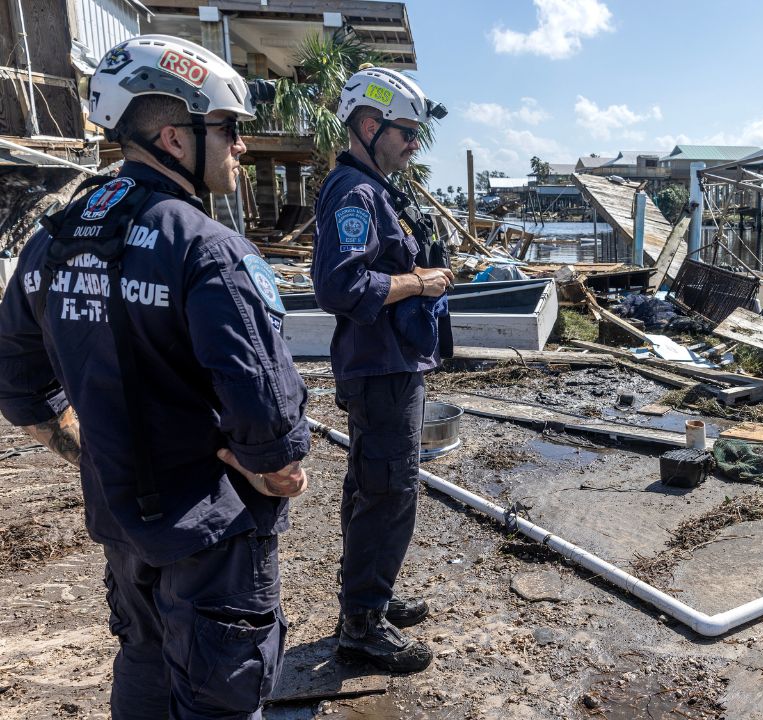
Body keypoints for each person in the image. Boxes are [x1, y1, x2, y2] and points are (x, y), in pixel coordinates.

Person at [0, 35, 310, 718]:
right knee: (219, 700)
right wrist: (277, 470)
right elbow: (275, 433)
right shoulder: (208, 250)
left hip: (122, 528)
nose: (243, 146)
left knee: (143, 670)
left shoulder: (54, 238)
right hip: (211, 541)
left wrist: (92, 452)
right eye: (230, 128)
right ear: (175, 137)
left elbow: (22, 393)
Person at [311, 66, 452, 673]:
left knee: (372, 487)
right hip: (381, 369)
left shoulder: (374, 189)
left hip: (391, 365)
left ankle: (369, 598)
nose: (413, 145)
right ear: (369, 126)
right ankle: (362, 625)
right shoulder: (355, 194)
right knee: (390, 492)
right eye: (406, 133)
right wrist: (419, 281)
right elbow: (339, 285)